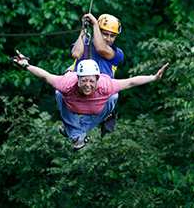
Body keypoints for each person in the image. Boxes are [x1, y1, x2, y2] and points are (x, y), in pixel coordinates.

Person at [13, 50, 169, 150]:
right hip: (72, 106)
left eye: (91, 81)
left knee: (114, 96)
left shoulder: (106, 85)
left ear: (97, 79)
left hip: (97, 110)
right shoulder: (67, 83)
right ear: (78, 79)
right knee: (58, 93)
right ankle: (74, 133)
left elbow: (131, 82)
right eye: (84, 81)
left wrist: (153, 77)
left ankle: (75, 132)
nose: (87, 85)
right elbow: (45, 75)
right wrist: (26, 64)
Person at [71, 13, 125, 136]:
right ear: (97, 32)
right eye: (105, 34)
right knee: (59, 92)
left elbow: (100, 48)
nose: (108, 38)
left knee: (114, 96)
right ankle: (72, 126)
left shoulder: (116, 53)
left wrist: (95, 24)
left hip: (100, 94)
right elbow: (75, 54)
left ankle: (79, 129)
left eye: (113, 36)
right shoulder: (86, 44)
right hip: (81, 89)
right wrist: (83, 31)